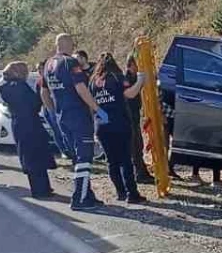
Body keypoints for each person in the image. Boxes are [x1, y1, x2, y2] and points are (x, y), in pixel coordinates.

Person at [42, 34, 108, 211]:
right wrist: (97, 109)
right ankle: (79, 198)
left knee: (77, 157)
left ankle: (88, 194)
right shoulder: (70, 63)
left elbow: (44, 93)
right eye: (72, 44)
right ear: (68, 44)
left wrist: (53, 111)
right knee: (85, 157)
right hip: (78, 115)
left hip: (62, 116)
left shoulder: (48, 64)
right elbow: (81, 89)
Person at [91, 53, 147, 204]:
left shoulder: (94, 82)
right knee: (125, 161)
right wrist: (141, 81)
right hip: (119, 124)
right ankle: (132, 194)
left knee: (111, 161)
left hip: (101, 126)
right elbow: (130, 93)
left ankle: (120, 192)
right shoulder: (117, 77)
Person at [0, 61, 56, 199]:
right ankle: (40, 190)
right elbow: (33, 104)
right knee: (36, 156)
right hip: (29, 124)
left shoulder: (7, 87)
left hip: (19, 124)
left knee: (29, 156)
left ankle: (41, 188)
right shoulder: (19, 86)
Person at [123, 53, 154, 183]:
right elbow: (130, 94)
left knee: (138, 145)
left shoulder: (134, 77)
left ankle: (142, 171)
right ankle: (139, 174)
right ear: (130, 66)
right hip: (128, 117)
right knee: (134, 146)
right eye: (137, 65)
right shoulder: (126, 79)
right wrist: (141, 81)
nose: (139, 68)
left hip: (134, 116)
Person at [37, 57, 73, 159]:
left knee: (62, 130)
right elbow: (40, 95)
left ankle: (69, 150)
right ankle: (64, 150)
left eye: (41, 69)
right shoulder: (39, 81)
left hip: (56, 107)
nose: (39, 71)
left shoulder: (51, 77)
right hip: (47, 109)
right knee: (55, 131)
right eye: (38, 69)